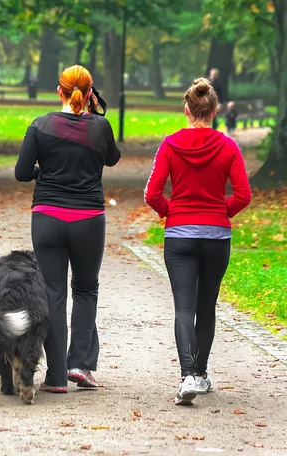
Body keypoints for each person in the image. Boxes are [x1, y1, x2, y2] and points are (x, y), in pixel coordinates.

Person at [144, 77, 251, 406]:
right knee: (207, 307)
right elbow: (243, 195)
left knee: (183, 308)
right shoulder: (229, 147)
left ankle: (188, 375)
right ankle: (201, 374)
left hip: (180, 237)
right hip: (216, 237)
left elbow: (152, 194)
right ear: (215, 111)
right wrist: (222, 211)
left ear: (186, 110)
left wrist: (170, 212)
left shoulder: (170, 144)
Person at [15, 64, 121, 393]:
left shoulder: (40, 125)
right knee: (86, 289)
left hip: (48, 218)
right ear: (89, 94)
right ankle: (81, 366)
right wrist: (94, 114)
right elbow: (112, 159)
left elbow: (21, 172)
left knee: (53, 294)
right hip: (88, 218)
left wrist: (40, 172)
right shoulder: (100, 127)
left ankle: (57, 377)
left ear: (58, 91)